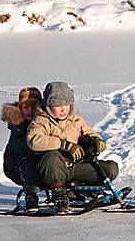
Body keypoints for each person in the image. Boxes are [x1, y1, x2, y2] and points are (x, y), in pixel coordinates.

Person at [28, 81, 119, 214]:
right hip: (52, 172)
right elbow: (34, 140)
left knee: (111, 169)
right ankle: (59, 194)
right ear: (48, 105)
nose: (63, 109)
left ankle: (89, 190)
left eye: (66, 104)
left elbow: (88, 132)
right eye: (57, 105)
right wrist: (63, 145)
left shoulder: (76, 120)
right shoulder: (41, 121)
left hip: (74, 167)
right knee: (51, 157)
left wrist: (96, 141)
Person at [1, 86, 45, 213]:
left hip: (39, 163)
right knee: (28, 160)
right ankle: (31, 197)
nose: (30, 111)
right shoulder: (19, 127)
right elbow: (24, 147)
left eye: (33, 107)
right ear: (20, 108)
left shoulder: (44, 122)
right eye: (26, 107)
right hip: (17, 166)